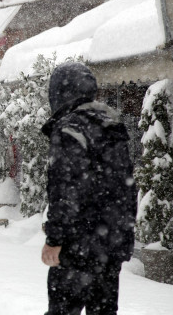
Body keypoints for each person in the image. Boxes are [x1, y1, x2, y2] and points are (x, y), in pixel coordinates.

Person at [40, 62, 137, 315]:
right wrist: (120, 242)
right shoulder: (113, 128)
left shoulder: (69, 129)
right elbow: (126, 190)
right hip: (109, 248)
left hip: (76, 248)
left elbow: (65, 191)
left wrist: (55, 239)